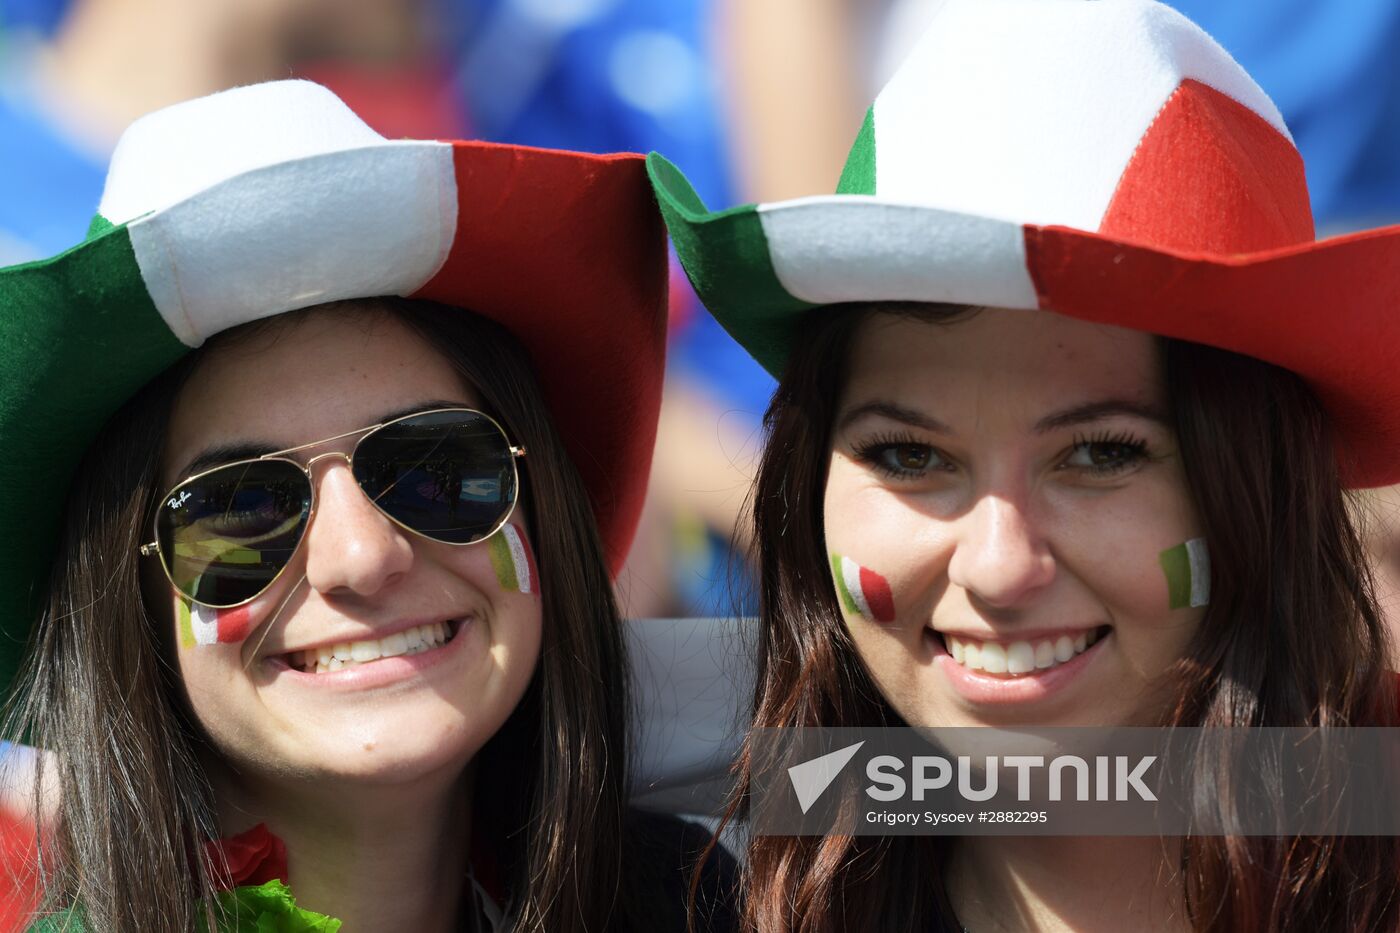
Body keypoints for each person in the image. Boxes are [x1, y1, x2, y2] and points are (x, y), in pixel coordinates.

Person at [649, 0, 1400, 930]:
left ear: (1262, 485)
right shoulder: (663, 875)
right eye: (909, 454)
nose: (1000, 568)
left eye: (1100, 453)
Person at [0, 79, 735, 932]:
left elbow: (915, 778)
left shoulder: (699, 898)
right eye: (241, 510)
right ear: (128, 600)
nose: (362, 555)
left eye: (434, 467)